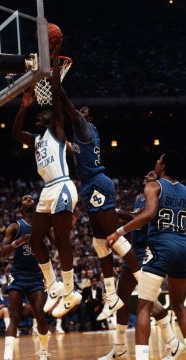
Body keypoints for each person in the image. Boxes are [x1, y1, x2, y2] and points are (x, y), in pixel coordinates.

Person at [12, 41, 81, 319]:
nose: (41, 115)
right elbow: (17, 134)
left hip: (63, 185)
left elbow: (54, 94)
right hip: (47, 191)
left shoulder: (57, 130)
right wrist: (24, 107)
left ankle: (70, 291)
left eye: (43, 112)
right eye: (38, 114)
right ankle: (52, 285)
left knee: (62, 241)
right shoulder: (37, 138)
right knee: (37, 240)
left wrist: (52, 59)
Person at [60, 90, 140, 320]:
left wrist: (58, 88)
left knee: (115, 238)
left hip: (97, 183)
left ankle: (144, 280)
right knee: (99, 244)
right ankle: (112, 295)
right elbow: (68, 146)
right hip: (89, 186)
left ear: (89, 118)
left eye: (84, 112)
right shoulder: (79, 140)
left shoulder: (84, 128)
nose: (80, 114)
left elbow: (69, 108)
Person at [107, 151, 186, 360]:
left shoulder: (154, 186)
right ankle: (176, 345)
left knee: (144, 306)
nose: (156, 163)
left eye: (159, 160)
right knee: (179, 305)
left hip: (161, 248)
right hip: (183, 247)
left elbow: (149, 214)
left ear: (164, 166)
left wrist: (119, 231)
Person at [1, 194, 50, 360]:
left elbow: (59, 242)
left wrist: (68, 223)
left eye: (31, 198)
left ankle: (43, 353)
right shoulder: (15, 226)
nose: (29, 199)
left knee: (40, 315)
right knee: (14, 315)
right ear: (21, 207)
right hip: (18, 274)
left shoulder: (42, 225)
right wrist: (17, 242)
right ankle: (8, 357)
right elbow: (2, 252)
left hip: (36, 275)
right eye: (24, 198)